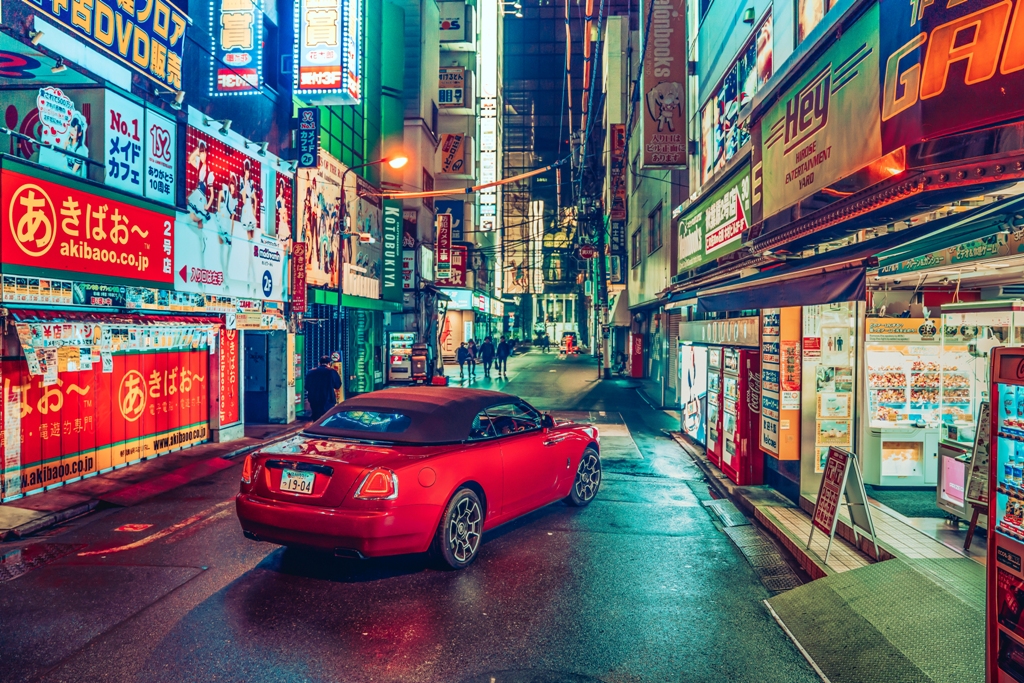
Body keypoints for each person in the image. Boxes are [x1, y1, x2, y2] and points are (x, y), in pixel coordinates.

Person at [305, 355, 341, 421]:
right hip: (328, 399)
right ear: (329, 363)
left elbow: (307, 386)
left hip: (314, 399)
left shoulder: (311, 372)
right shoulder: (332, 372)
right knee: (327, 418)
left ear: (319, 363)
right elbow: (337, 385)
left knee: (316, 418)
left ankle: (316, 430)